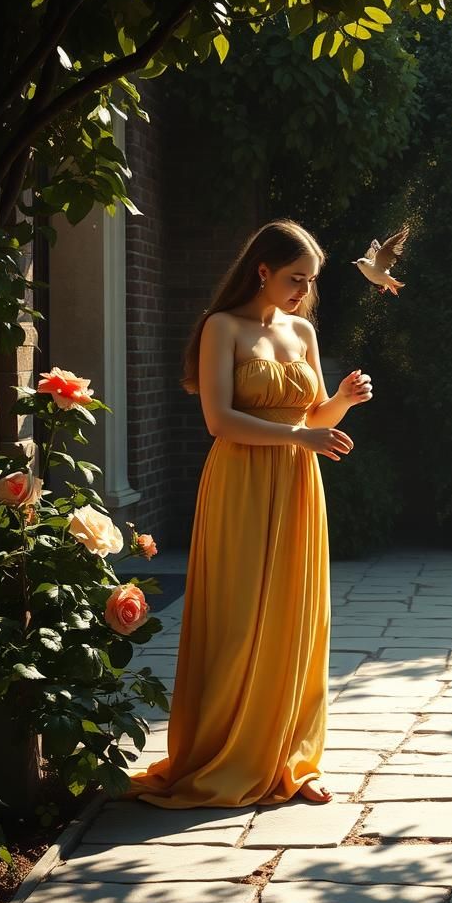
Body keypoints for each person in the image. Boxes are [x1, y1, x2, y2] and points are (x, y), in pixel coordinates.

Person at [129, 220, 371, 808]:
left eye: (309, 282)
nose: (300, 291)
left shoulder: (303, 332)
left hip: (295, 486)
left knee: (295, 616)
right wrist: (301, 435)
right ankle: (225, 753)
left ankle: (289, 755)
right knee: (239, 620)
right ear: (261, 269)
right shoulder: (222, 327)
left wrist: (339, 402)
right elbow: (221, 421)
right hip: (239, 482)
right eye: (293, 279)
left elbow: (314, 420)